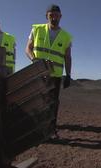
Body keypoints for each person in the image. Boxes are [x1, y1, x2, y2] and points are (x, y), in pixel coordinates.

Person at [25, 4, 73, 138]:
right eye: (51, 15)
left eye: (57, 15)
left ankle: (51, 130)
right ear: (47, 15)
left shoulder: (66, 36)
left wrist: (68, 75)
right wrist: (35, 60)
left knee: (52, 103)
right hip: (38, 74)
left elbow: (67, 57)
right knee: (37, 101)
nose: (54, 18)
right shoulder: (37, 29)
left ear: (61, 17)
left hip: (55, 75)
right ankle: (35, 129)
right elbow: (28, 48)